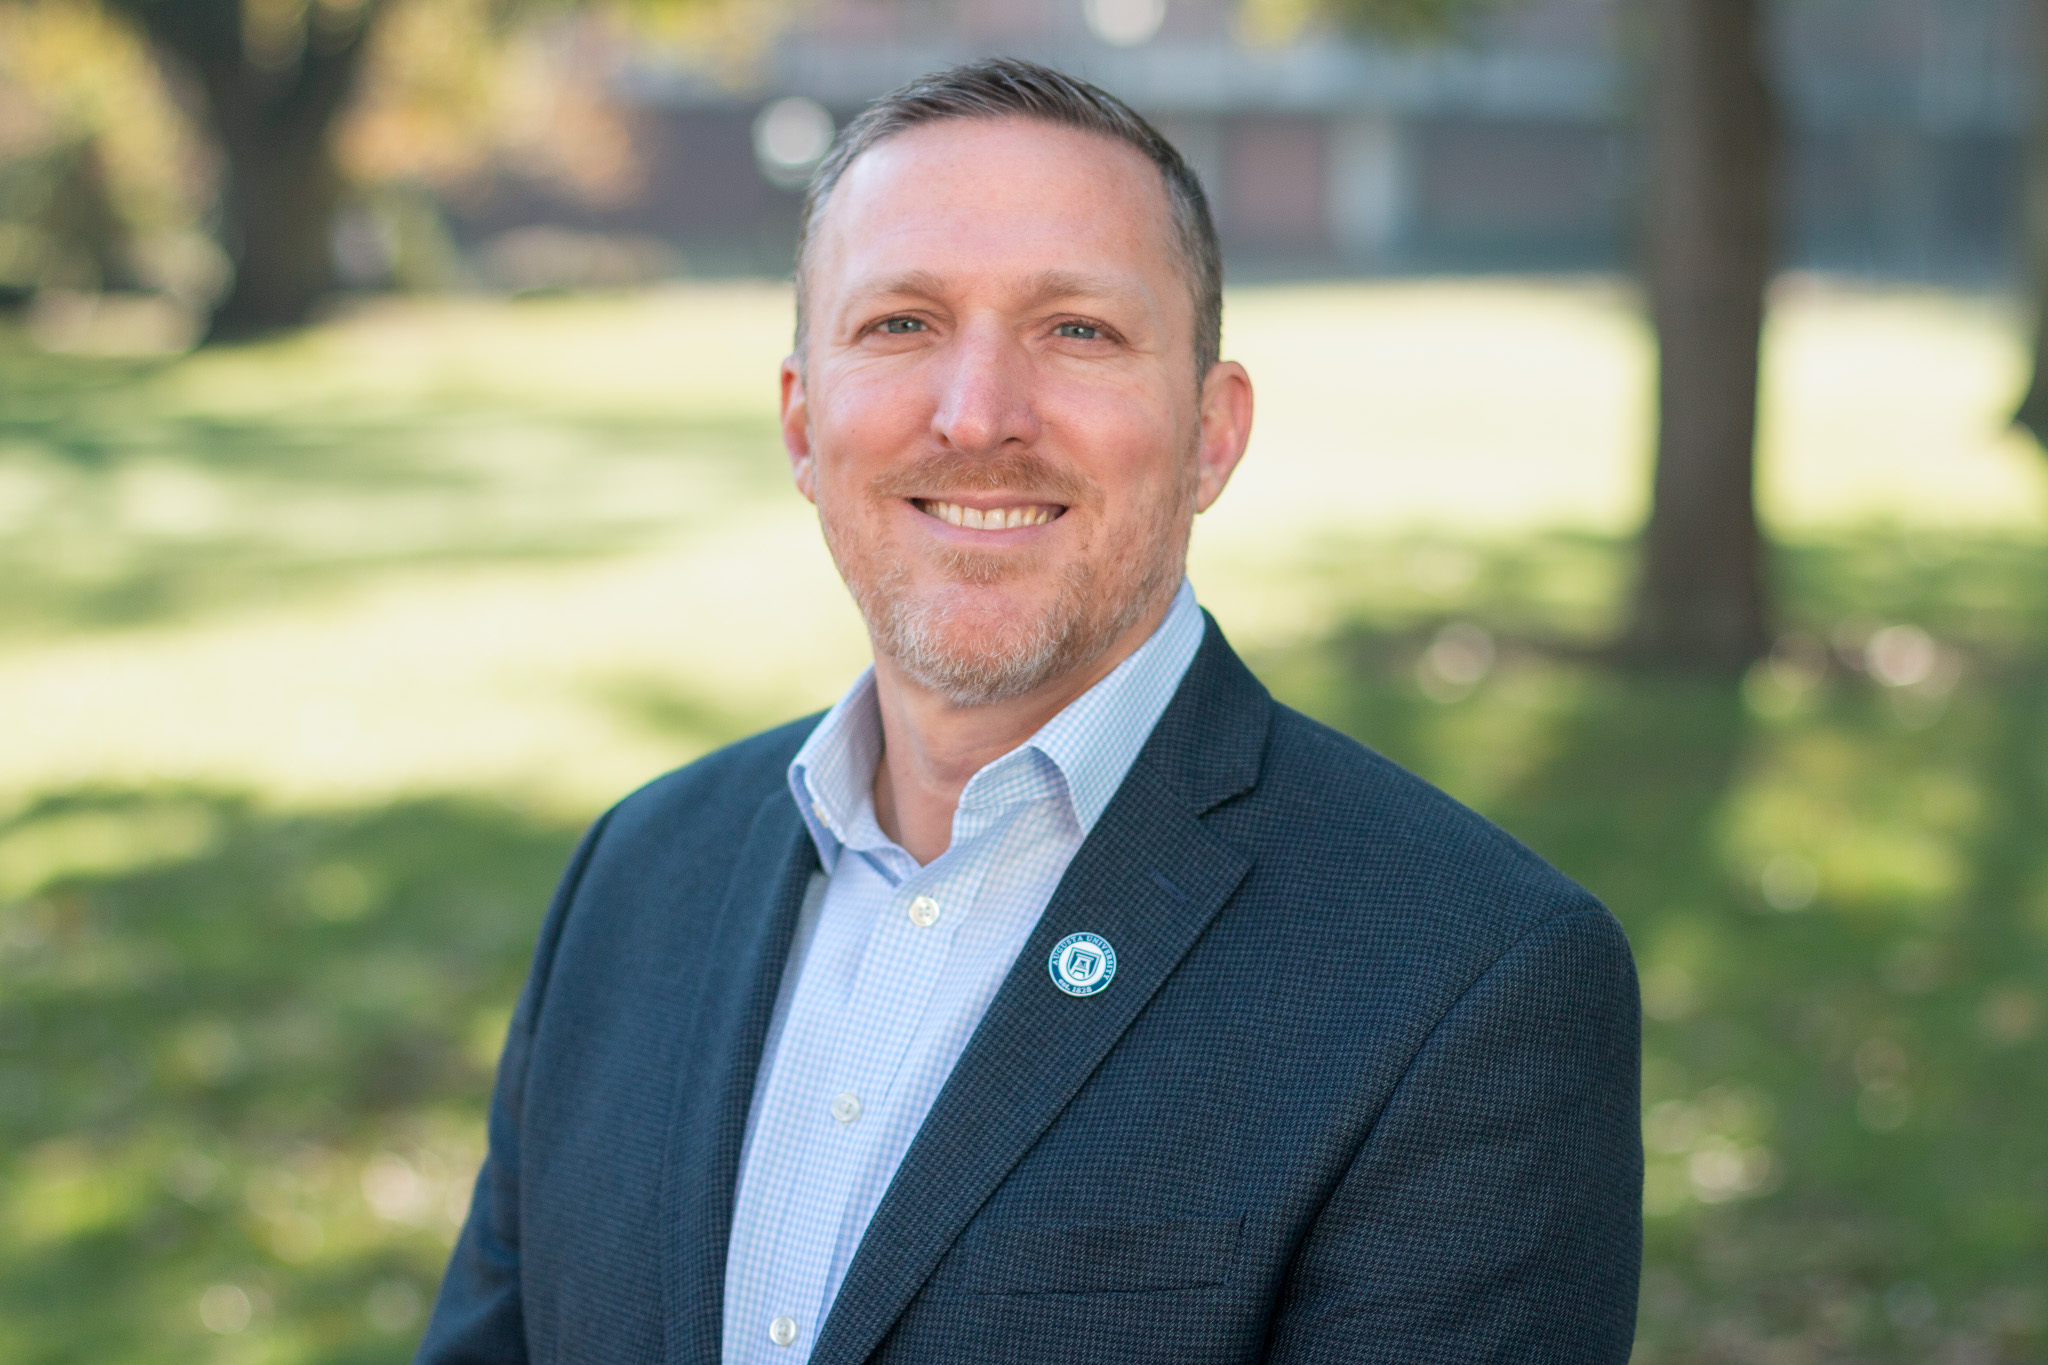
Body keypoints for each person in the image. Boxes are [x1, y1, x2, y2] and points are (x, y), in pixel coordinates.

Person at [416, 58, 1641, 1365]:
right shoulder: (636, 873)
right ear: (801, 423)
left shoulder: (1468, 980)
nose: (978, 415)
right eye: (901, 325)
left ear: (1210, 433)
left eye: (1077, 330)